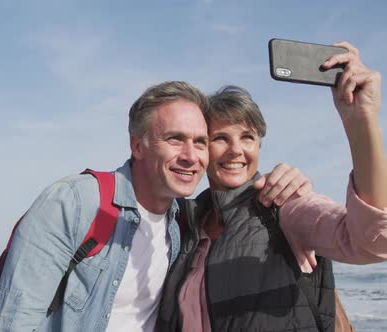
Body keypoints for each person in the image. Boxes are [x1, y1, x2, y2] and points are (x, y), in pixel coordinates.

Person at [0, 81, 311, 332]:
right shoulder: (75, 202)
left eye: (200, 142)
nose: (190, 155)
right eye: (174, 139)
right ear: (137, 145)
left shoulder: (184, 221)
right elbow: (14, 320)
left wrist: (287, 183)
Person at [157, 42, 387, 331]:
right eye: (220, 138)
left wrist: (362, 122)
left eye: (247, 137)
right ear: (202, 148)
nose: (236, 150)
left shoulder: (284, 205)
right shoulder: (186, 225)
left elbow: (374, 241)